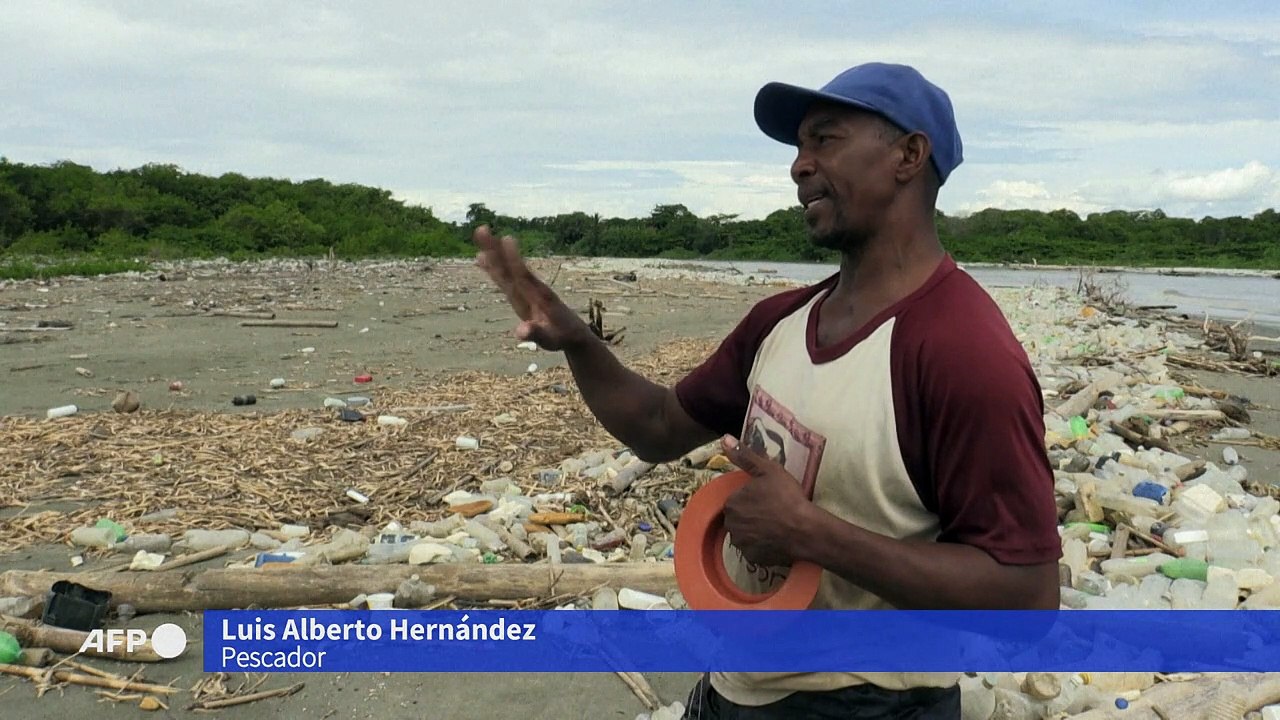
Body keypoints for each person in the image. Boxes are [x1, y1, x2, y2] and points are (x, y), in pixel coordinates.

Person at [475, 62, 1061, 719]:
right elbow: (658, 426)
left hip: (871, 703)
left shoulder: (962, 350)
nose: (799, 166)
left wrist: (812, 535)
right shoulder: (782, 322)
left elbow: (1027, 601)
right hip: (735, 686)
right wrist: (578, 341)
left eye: (825, 139)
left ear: (909, 155)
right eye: (799, 146)